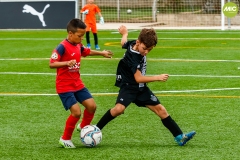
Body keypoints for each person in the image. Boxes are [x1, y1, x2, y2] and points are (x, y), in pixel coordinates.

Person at [96, 25, 196, 146]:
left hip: (141, 89)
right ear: (138, 42)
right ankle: (96, 129)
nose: (147, 52)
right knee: (118, 109)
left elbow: (124, 43)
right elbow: (138, 78)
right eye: (145, 48)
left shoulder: (134, 44)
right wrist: (157, 77)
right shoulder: (134, 58)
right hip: (129, 86)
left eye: (150, 49)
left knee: (161, 110)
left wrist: (124, 33)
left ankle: (179, 137)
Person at [49, 18, 113, 148]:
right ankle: (65, 139)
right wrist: (66, 63)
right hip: (64, 85)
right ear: (70, 33)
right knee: (76, 113)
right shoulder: (62, 47)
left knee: (92, 106)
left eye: (83, 35)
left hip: (77, 83)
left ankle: (84, 127)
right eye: (80, 36)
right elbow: (52, 63)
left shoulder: (78, 44)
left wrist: (102, 53)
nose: (82, 38)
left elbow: (86, 51)